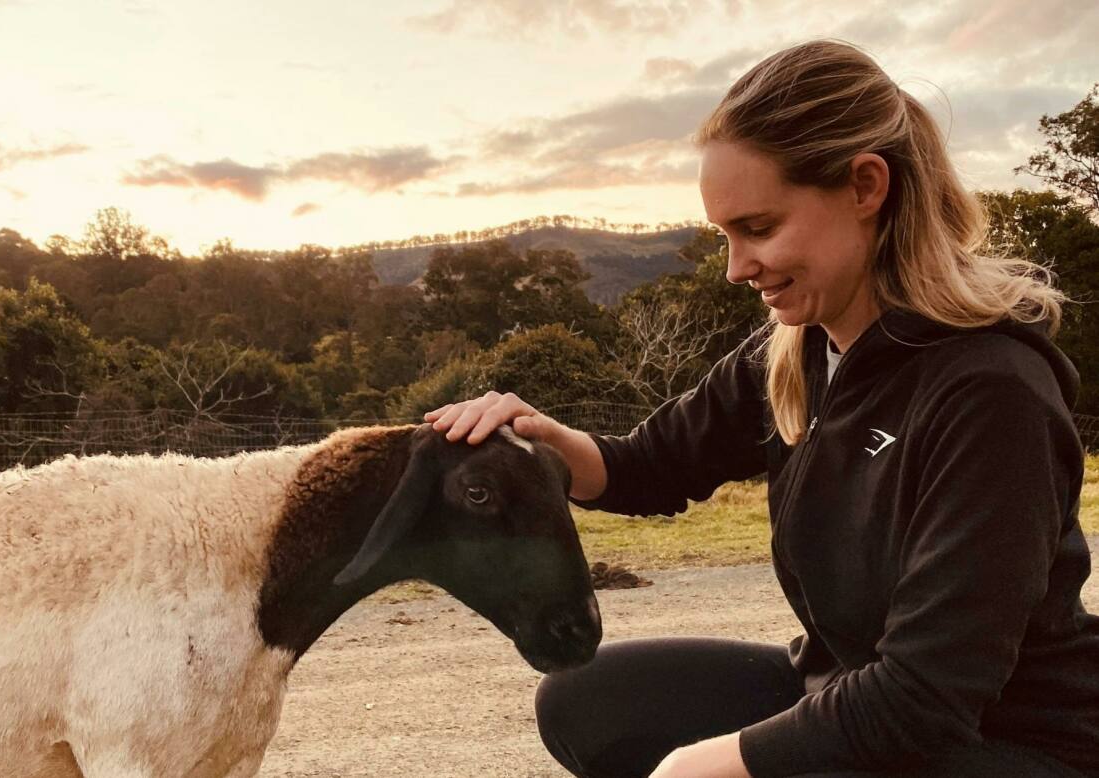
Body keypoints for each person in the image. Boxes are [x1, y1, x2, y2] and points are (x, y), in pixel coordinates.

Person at [425, 40, 1099, 778]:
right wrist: (540, 444)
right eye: (725, 235)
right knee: (586, 701)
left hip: (996, 741)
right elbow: (649, 467)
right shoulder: (793, 349)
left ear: (866, 186)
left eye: (758, 228)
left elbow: (926, 696)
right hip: (852, 689)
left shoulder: (990, 392)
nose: (736, 267)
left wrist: (705, 766)